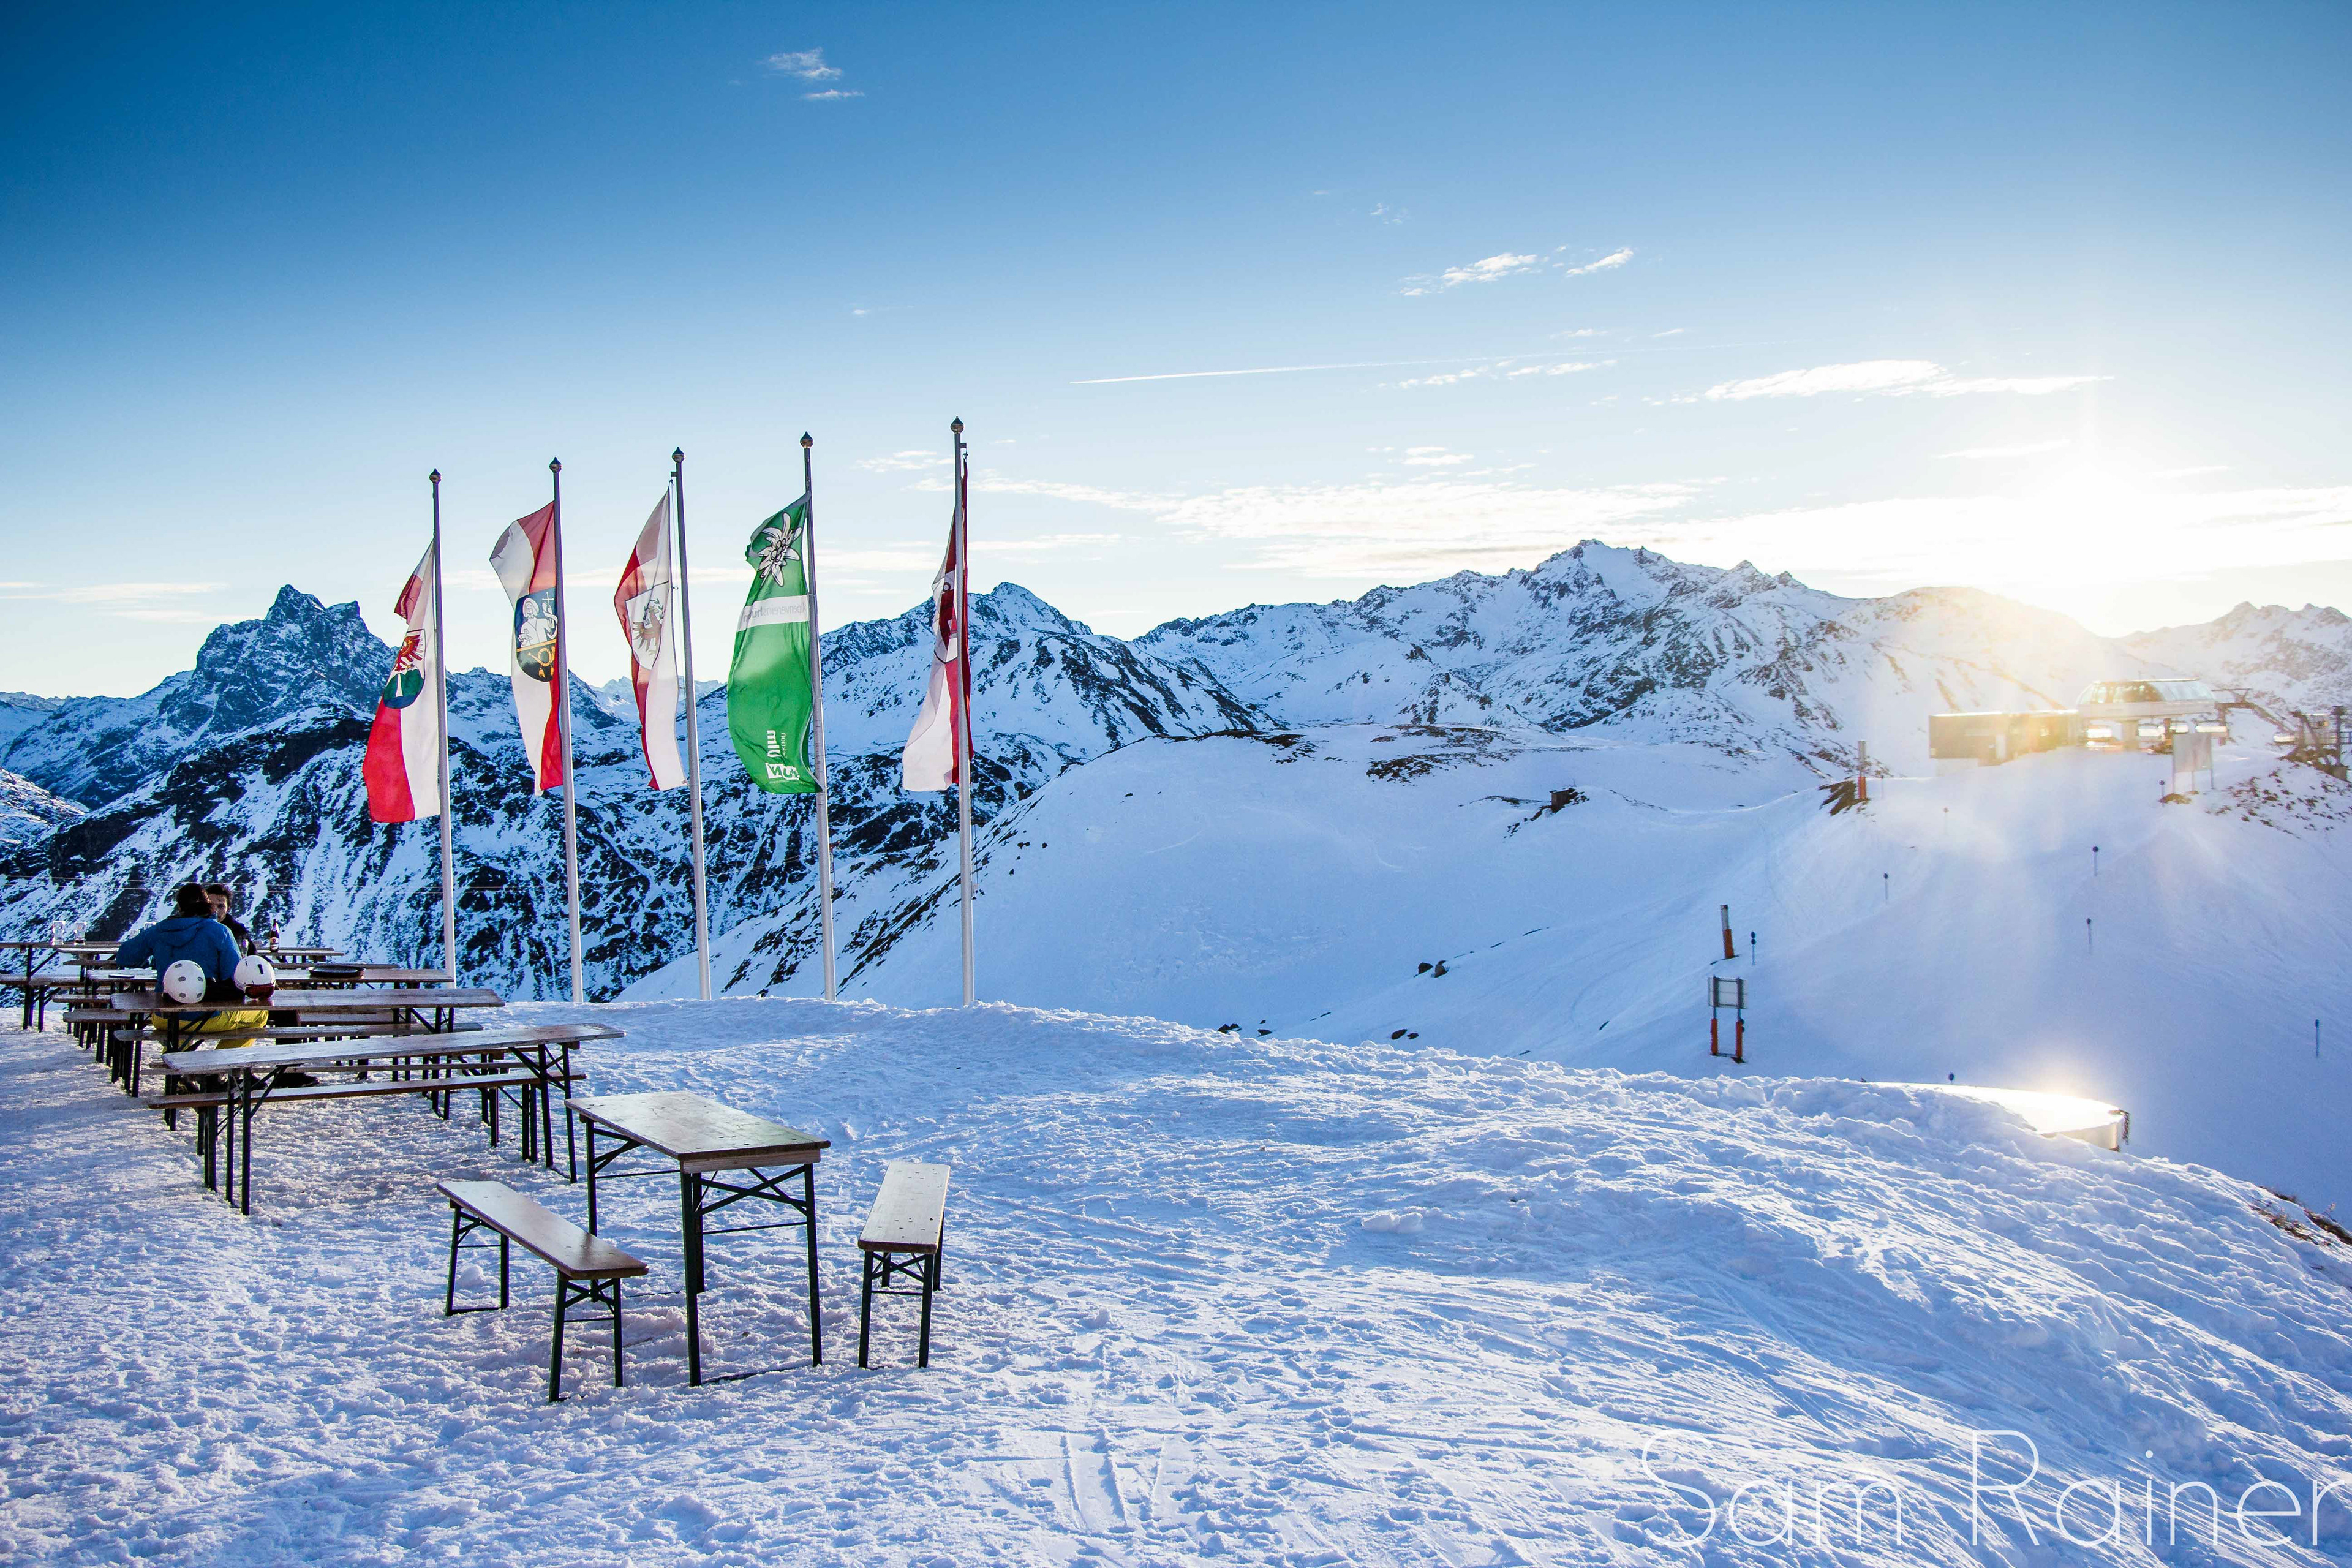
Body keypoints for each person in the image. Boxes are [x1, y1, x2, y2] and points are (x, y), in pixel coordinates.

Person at [116, 884, 269, 1042]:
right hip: (208, 1018)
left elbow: (124, 957)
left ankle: (175, 1056)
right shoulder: (220, 931)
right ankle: (220, 1062)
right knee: (260, 1014)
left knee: (177, 1032)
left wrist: (153, 960)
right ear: (207, 904)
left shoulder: (160, 930)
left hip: (163, 1017)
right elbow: (236, 976)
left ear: (180, 906)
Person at [204, 883, 256, 956]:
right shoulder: (195, 928)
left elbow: (251, 956)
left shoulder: (239, 931)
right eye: (211, 906)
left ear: (228, 909)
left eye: (221, 906)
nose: (215, 911)